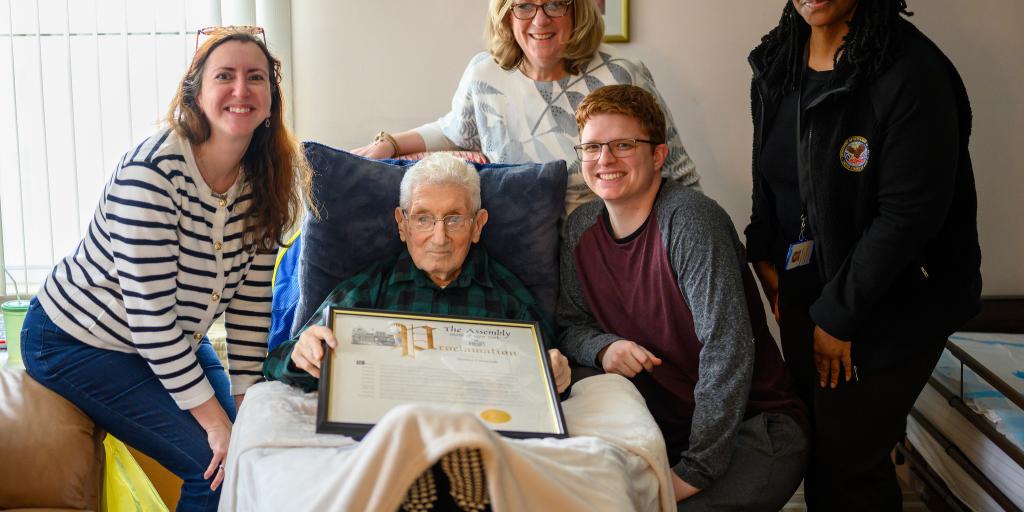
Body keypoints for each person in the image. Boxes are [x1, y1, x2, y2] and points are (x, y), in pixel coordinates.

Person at [20, 26, 311, 510]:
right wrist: (217, 424)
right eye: (225, 76)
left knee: (252, 449)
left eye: (255, 78)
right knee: (214, 465)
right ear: (197, 93)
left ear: (271, 99)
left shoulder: (267, 181)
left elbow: (250, 306)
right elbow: (150, 316)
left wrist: (245, 402)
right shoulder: (152, 173)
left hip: (170, 343)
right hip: (76, 340)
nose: (241, 90)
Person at [746, 1, 981, 509]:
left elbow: (908, 216)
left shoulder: (912, 73)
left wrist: (839, 317)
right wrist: (762, 249)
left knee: (850, 460)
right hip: (808, 282)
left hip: (894, 296)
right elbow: (771, 168)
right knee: (817, 451)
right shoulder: (778, 57)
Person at [558, 84, 808, 510]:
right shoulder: (581, 228)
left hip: (753, 429)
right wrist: (604, 347)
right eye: (593, 147)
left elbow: (726, 349)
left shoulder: (691, 220)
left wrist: (694, 470)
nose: (605, 160)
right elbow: (569, 326)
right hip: (664, 431)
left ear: (658, 156)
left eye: (622, 145)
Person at [352, 0, 699, 215]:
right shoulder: (485, 74)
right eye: (524, 5)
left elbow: (680, 174)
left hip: (610, 247)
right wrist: (390, 143)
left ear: (576, 9)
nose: (540, 20)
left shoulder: (621, 74)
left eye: (555, 4)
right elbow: (454, 130)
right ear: (506, 13)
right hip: (520, 250)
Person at [264, 152, 570, 395]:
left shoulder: (507, 294)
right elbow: (279, 362)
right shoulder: (371, 287)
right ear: (402, 224)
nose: (439, 238)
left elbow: (548, 369)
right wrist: (300, 353)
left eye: (454, 220)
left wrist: (556, 372)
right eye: (423, 219)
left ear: (477, 226)